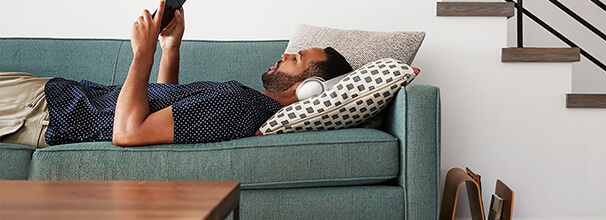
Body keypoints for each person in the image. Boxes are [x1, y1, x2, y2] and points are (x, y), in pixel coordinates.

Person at [0, 0, 353, 148]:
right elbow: (159, 109)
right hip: (50, 95)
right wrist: (170, 50)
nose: (285, 53)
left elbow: (129, 131)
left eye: (298, 58)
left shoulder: (240, 106)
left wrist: (144, 52)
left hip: (45, 111)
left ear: (309, 88)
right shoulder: (245, 103)